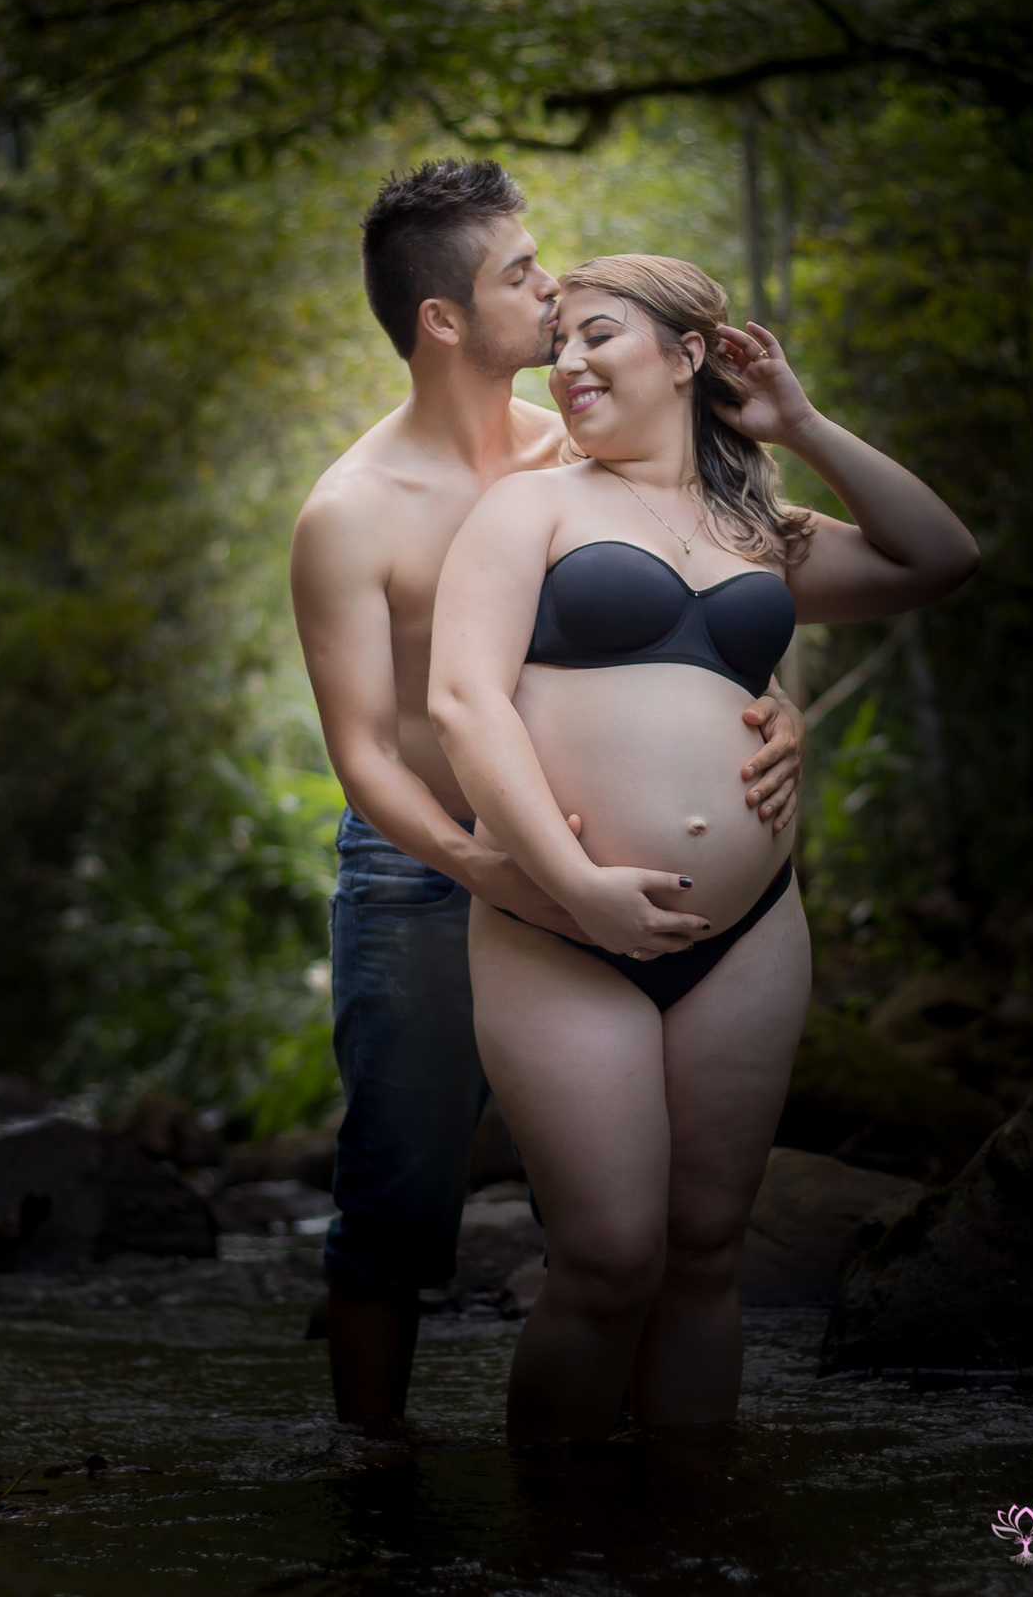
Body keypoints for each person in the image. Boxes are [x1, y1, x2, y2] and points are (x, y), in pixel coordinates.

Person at [428, 253, 979, 1445]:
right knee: (610, 1259)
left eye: (599, 335)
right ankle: (557, 1554)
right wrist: (573, 883)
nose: (566, 361)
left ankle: (689, 1543)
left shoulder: (759, 525)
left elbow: (941, 558)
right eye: (559, 340)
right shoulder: (531, 505)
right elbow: (465, 704)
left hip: (749, 929)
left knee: (703, 1254)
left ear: (688, 356)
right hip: (560, 926)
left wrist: (804, 421)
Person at [291, 166, 809, 1427]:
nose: (550, 283)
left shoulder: (581, 441)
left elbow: (709, 592)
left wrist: (771, 698)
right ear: (445, 321)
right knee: (401, 1191)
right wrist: (503, 872)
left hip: (620, 870)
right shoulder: (353, 513)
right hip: (429, 863)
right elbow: (365, 751)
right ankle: (377, 1479)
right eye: (520, 273)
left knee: (650, 1233)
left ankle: (644, 1499)